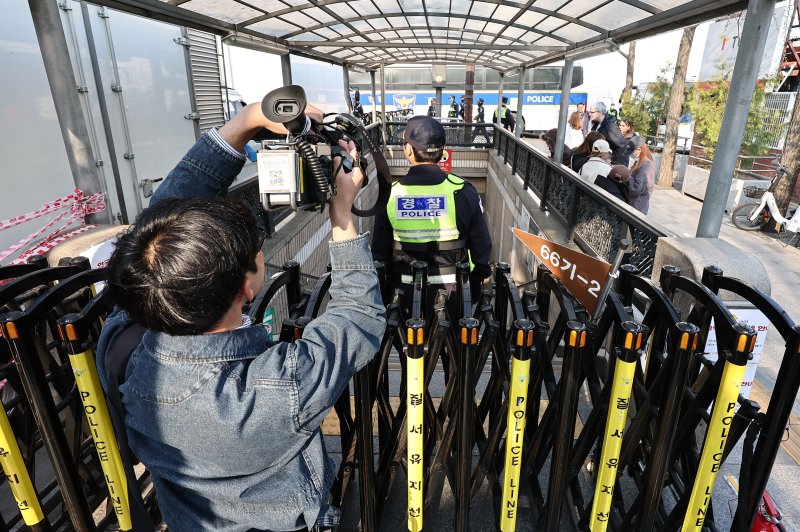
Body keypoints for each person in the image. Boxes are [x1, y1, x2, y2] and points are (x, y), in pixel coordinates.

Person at [97, 99, 386, 531]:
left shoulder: (122, 347)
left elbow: (155, 230)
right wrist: (342, 215)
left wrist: (248, 121)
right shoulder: (279, 386)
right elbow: (360, 312)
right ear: (247, 287)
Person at [372, 116, 492, 318]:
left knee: (408, 347)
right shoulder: (463, 190)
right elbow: (481, 249)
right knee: (454, 347)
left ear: (409, 150)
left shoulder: (390, 195)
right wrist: (474, 288)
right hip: (454, 296)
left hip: (403, 297)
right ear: (441, 152)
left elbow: (379, 255)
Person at [589, 101, 628, 166]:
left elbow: (622, 145)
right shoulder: (596, 124)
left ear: (600, 112)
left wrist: (612, 160)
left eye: (592, 112)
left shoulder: (610, 126)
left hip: (612, 165)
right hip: (599, 160)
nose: (590, 114)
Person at [626, 135, 655, 214]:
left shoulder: (646, 165)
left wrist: (625, 175)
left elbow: (636, 188)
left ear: (639, 149)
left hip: (637, 208)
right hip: (635, 206)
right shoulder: (640, 162)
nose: (631, 154)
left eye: (632, 151)